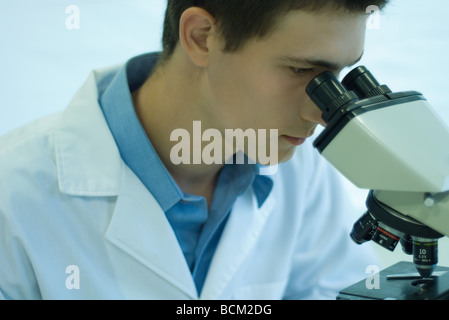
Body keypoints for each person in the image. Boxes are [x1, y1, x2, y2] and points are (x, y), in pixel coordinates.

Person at [0, 0, 388, 300]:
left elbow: (333, 286)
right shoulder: (14, 195)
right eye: (301, 70)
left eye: (336, 78)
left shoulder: (301, 171)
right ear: (202, 37)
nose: (322, 112)